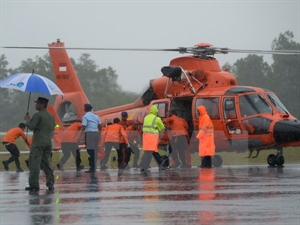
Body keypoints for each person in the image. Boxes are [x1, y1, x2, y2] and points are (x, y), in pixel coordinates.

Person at [24, 97, 55, 191]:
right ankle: (50, 183)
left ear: (42, 104)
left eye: (37, 103)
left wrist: (27, 120)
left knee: (35, 163)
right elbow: (52, 128)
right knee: (47, 163)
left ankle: (34, 184)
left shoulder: (37, 115)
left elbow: (32, 127)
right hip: (48, 142)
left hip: (38, 142)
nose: (36, 105)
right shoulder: (51, 116)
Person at [140, 105, 166, 174]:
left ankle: (161, 164)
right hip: (152, 138)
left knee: (151, 152)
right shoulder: (157, 119)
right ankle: (144, 167)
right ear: (156, 111)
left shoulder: (146, 118)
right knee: (151, 152)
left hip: (145, 138)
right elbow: (162, 128)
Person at [78, 103, 101, 173]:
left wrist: (79, 137)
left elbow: (83, 127)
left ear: (85, 109)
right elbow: (100, 126)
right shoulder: (96, 116)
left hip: (89, 134)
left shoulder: (85, 117)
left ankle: (92, 167)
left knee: (90, 150)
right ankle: (93, 165)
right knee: (94, 150)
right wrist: (99, 134)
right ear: (91, 109)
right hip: (96, 134)